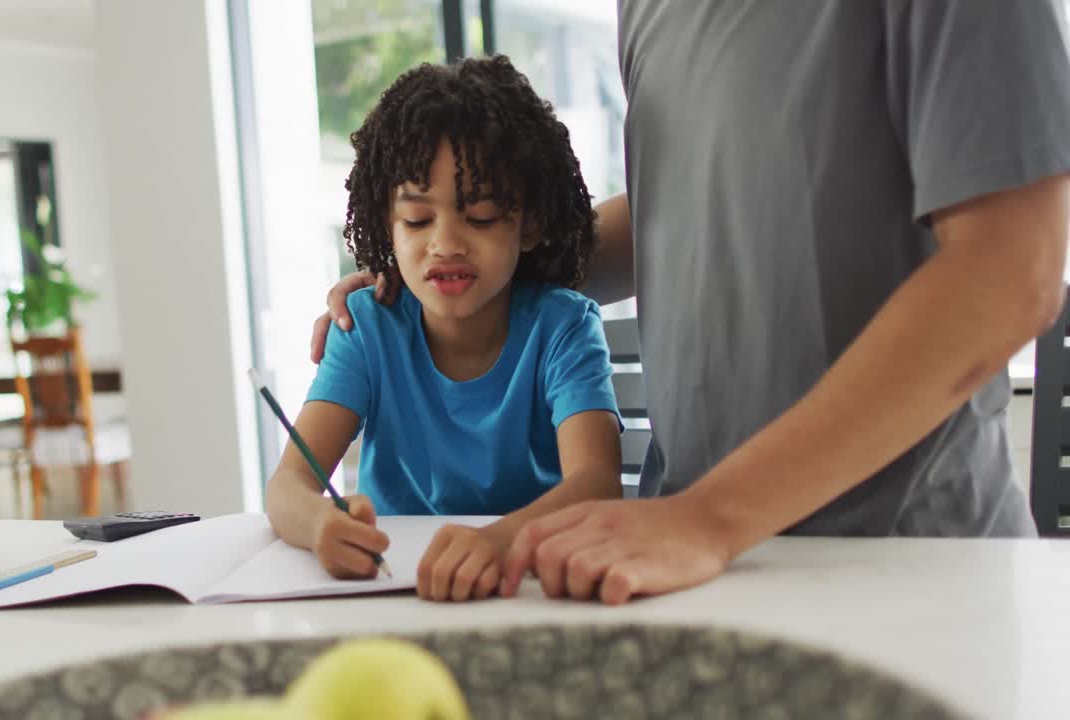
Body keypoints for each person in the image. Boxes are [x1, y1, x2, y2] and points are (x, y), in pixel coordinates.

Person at [314, 1, 1070, 605]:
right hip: (686, 569)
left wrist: (711, 517)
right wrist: (445, 283)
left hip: (899, 569)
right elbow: (683, 210)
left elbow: (1010, 268)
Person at [268, 55, 624, 603]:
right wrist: (321, 526)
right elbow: (287, 487)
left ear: (528, 226)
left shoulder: (563, 328)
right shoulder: (366, 328)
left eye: (479, 218)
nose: (445, 244)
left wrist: (500, 541)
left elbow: (596, 484)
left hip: (529, 588)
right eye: (417, 220)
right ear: (387, 224)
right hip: (395, 593)